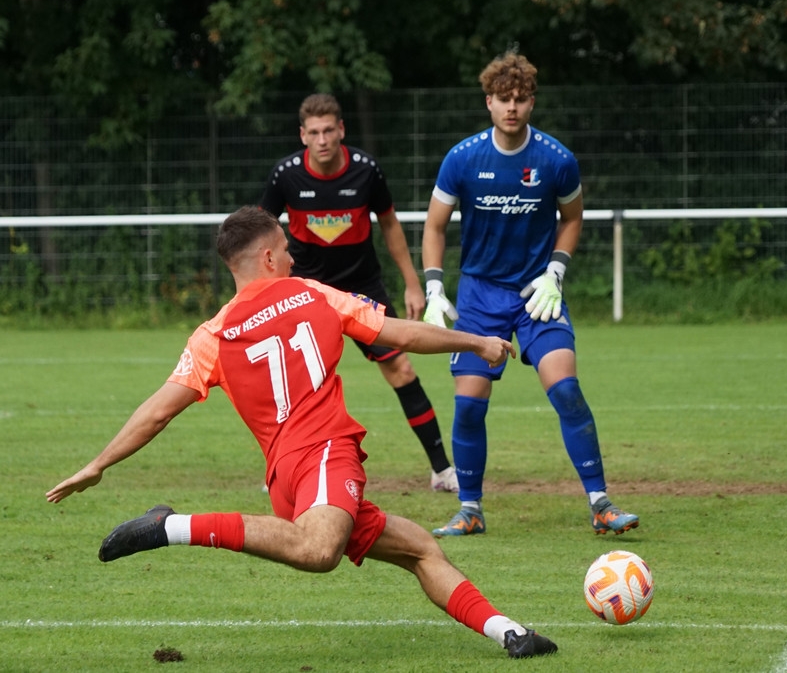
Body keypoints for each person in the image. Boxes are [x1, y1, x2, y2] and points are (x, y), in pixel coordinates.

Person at [45, 207, 557, 660]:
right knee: (318, 551)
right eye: (287, 249)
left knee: (420, 548)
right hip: (327, 454)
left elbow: (157, 411)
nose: (293, 258)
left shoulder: (212, 335)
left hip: (287, 481)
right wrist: (476, 342)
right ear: (268, 257)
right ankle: (172, 526)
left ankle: (510, 633)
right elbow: (399, 333)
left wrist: (98, 464)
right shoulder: (314, 293)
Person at [421, 51, 640, 538]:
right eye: (503, 99)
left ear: (532, 103)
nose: (512, 107)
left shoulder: (556, 160)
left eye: (520, 99)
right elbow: (434, 226)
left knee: (566, 390)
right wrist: (434, 286)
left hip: (536, 296)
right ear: (488, 102)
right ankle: (470, 510)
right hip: (479, 297)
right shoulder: (462, 158)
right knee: (469, 405)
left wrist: (555, 273)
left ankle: (601, 504)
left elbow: (573, 218)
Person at [259, 93, 458, 493]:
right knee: (294, 384)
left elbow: (390, 225)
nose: (322, 140)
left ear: (341, 130)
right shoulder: (285, 175)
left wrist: (412, 282)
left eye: (328, 130)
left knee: (402, 370)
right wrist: (266, 287)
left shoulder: (366, 170)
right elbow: (261, 232)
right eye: (314, 132)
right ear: (302, 135)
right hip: (306, 292)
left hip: (362, 288)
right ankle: (283, 470)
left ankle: (441, 470)